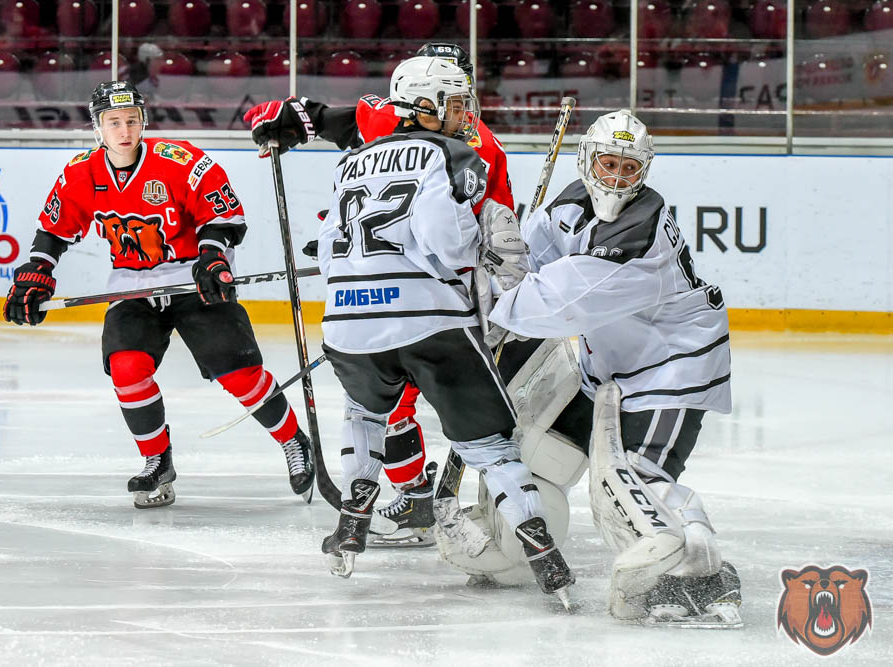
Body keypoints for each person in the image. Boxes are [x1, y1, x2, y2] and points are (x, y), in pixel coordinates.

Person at [313, 56, 573, 604]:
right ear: (425, 106)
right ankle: (542, 550)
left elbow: (330, 256)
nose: (464, 114)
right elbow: (449, 244)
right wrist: (487, 253)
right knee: (489, 445)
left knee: (364, 413)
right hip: (428, 320)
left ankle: (352, 520)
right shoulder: (451, 152)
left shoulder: (351, 163)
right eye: (455, 103)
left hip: (347, 324)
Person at [244, 43, 516, 547]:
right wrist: (289, 118)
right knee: (395, 405)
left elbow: (489, 239)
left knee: (405, 402)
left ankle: (424, 498)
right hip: (394, 297)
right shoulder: (398, 119)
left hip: (434, 300)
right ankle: (417, 497)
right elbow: (336, 120)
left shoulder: (479, 147)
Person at [476, 109, 742, 627]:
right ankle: (513, 546)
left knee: (631, 481)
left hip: (669, 371)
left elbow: (561, 301)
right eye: (608, 164)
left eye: (628, 168)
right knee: (539, 454)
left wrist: (493, 302)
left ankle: (699, 571)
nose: (616, 178)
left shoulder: (640, 230)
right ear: (586, 161)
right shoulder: (573, 202)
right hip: (610, 368)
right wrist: (495, 261)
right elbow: (532, 259)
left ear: (643, 172)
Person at [3, 80, 315, 509]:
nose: (124, 129)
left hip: (194, 280)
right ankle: (157, 460)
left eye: (131, 120)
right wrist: (38, 269)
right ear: (98, 128)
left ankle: (293, 441)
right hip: (133, 285)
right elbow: (55, 229)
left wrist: (211, 256)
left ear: (143, 121)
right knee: (127, 367)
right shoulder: (80, 172)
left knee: (238, 374)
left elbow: (221, 214)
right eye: (113, 122)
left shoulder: (180, 161)